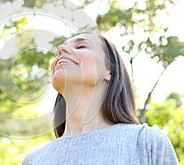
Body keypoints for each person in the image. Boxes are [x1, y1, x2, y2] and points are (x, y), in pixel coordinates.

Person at [22, 31, 179, 165]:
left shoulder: (146, 142)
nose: (61, 49)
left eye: (81, 46)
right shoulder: (34, 160)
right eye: (60, 50)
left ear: (109, 71)